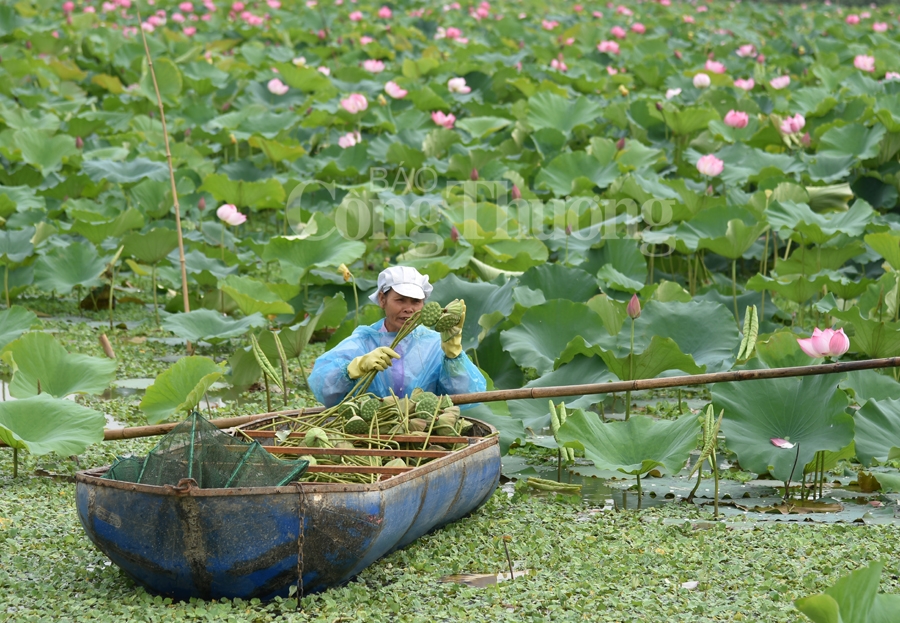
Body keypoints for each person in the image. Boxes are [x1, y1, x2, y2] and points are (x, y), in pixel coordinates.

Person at [308, 266, 486, 407]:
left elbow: (464, 396)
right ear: (382, 300)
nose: (408, 309)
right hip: (370, 432)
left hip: (424, 431)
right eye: (400, 300)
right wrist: (354, 368)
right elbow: (322, 388)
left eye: (416, 302)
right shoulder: (363, 342)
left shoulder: (434, 344)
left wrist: (453, 355)